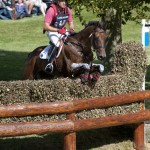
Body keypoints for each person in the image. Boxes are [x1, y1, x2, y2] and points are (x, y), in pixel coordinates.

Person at [43, 0, 74, 72]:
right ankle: (50, 63)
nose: (64, 3)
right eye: (62, 1)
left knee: (72, 42)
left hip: (63, 30)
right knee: (58, 44)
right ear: (57, 2)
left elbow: (71, 22)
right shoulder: (51, 10)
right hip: (52, 31)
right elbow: (45, 26)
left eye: (65, 1)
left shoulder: (67, 9)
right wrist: (58, 30)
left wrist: (71, 29)